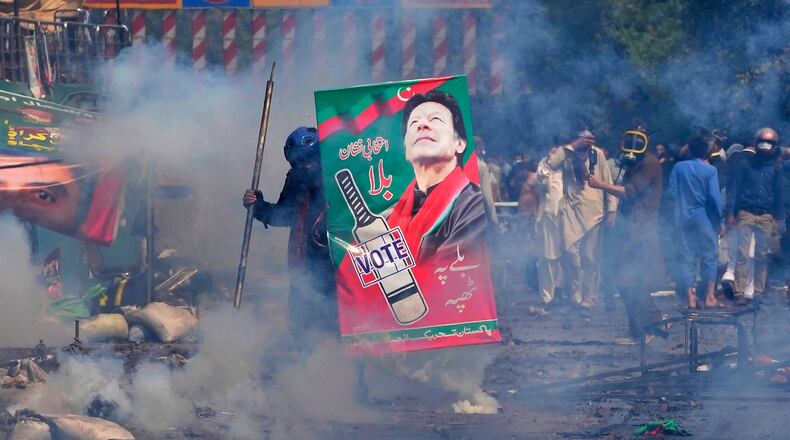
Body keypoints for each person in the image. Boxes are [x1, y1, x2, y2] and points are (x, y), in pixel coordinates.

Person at [243, 126, 336, 346]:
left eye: (309, 162)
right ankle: (309, 375)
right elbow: (283, 215)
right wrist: (257, 206)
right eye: (299, 163)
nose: (305, 167)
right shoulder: (296, 180)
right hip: (303, 266)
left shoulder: (338, 177)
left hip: (337, 267)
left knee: (339, 330)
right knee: (301, 328)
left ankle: (352, 378)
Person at [386, 90, 487, 264]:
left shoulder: (472, 205)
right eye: (414, 122)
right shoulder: (388, 216)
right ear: (405, 150)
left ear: (460, 144)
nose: (422, 125)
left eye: (436, 120)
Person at [588, 127, 665, 342]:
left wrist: (599, 184)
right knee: (627, 282)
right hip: (631, 230)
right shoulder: (637, 163)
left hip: (641, 232)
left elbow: (629, 192)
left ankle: (647, 329)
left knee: (633, 282)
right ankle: (642, 328)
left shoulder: (649, 164)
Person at [545, 128, 617, 308]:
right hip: (570, 212)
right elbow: (552, 163)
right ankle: (574, 295)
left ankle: (588, 299)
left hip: (595, 214)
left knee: (590, 259)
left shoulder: (597, 154)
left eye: (589, 137)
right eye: (583, 138)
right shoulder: (567, 153)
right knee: (570, 255)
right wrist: (573, 146)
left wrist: (612, 210)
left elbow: (607, 180)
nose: (587, 141)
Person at [726, 128, 784, 306]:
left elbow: (778, 193)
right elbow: (733, 189)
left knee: (761, 255)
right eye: (762, 142)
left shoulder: (776, 167)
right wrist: (729, 213)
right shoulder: (744, 163)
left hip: (766, 215)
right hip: (745, 212)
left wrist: (778, 217)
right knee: (742, 253)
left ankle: (758, 293)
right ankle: (739, 292)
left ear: (774, 146)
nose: (765, 146)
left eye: (769, 143)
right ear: (756, 142)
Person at [665, 137, 724, 309]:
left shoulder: (678, 167)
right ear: (706, 151)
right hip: (704, 218)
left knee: (687, 256)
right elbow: (714, 197)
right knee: (710, 257)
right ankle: (710, 296)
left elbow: (670, 193)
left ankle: (690, 297)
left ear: (689, 150)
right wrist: (720, 219)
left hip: (683, 217)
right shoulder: (710, 170)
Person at [534, 145, 565, 307]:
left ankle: (562, 292)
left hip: (567, 218)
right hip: (547, 218)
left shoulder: (569, 166)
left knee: (568, 258)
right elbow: (540, 185)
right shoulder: (544, 165)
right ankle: (547, 297)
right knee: (547, 258)